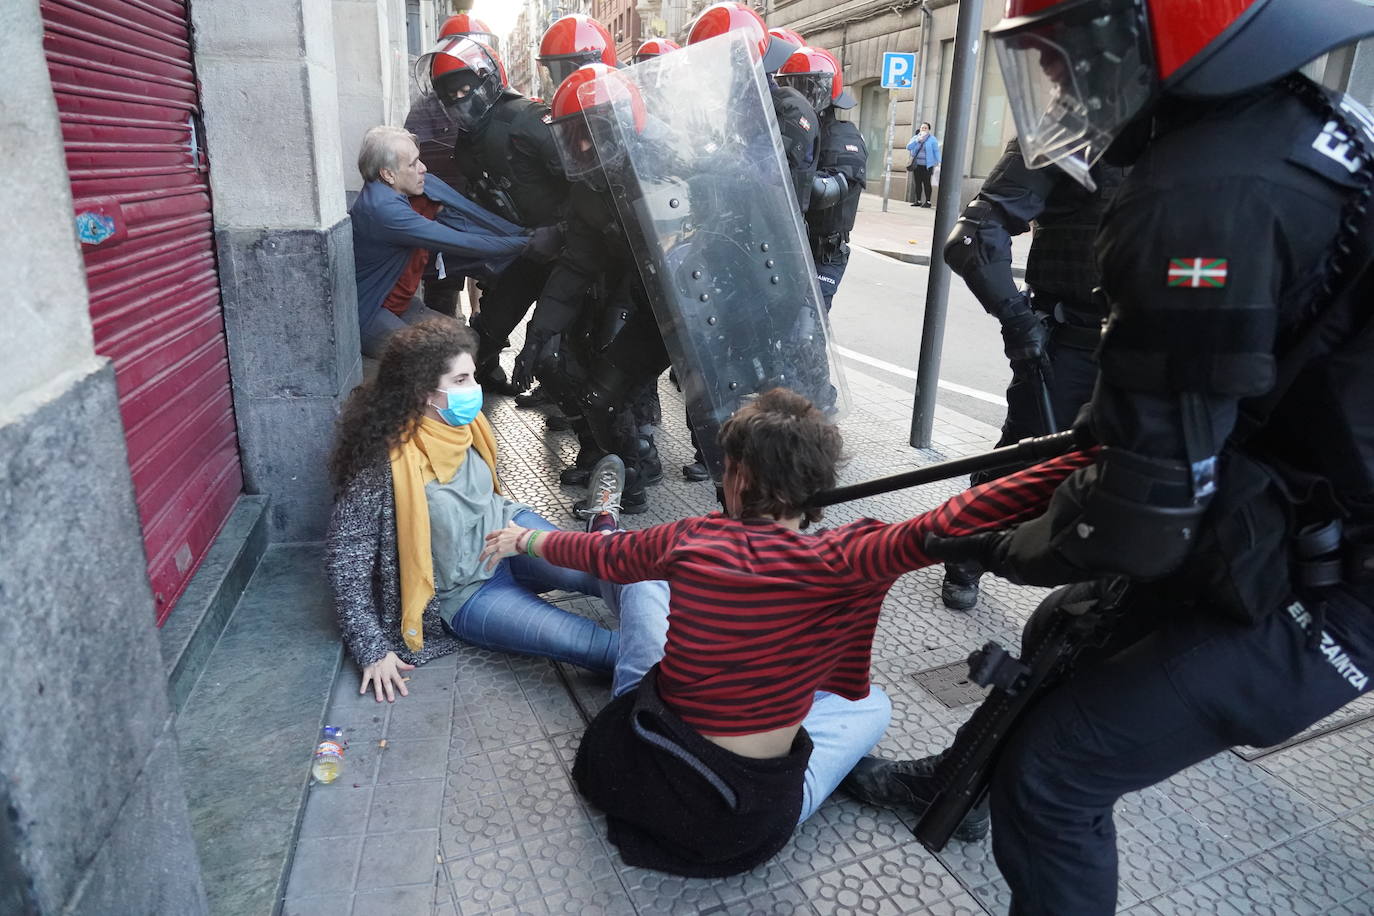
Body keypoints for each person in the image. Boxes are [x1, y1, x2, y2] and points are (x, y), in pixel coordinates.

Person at [844, 2, 1374, 913]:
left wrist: (999, 545)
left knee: (1054, 779)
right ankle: (954, 785)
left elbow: (1138, 521)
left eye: (1071, 52)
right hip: (1286, 508)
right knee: (1065, 629)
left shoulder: (1203, 191)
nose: (1059, 81)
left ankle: (1002, 794)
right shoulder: (1288, 125)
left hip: (1337, 584)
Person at [480, 388, 1097, 876]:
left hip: (638, 771)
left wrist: (524, 538)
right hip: (740, 824)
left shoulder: (688, 539)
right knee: (872, 706)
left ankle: (605, 517)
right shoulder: (852, 555)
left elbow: (602, 559)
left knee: (637, 573)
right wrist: (1087, 458)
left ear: (740, 477)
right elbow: (957, 517)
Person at [323, 318, 669, 703]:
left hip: (511, 535)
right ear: (423, 392)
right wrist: (371, 648)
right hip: (466, 593)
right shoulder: (382, 461)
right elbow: (347, 559)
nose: (475, 390)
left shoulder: (467, 425)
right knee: (604, 649)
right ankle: (604, 529)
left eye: (472, 376)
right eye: (460, 381)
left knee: (635, 566)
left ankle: (606, 533)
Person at [937, 138, 1125, 610]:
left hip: (1156, 351)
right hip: (1071, 339)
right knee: (1025, 461)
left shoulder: (1209, 138)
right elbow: (973, 237)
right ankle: (965, 552)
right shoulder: (1078, 123)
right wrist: (1019, 322)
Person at [515, 63, 669, 515]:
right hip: (652, 312)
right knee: (599, 398)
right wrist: (538, 334)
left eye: (594, 131)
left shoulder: (672, 163)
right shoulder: (588, 192)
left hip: (706, 313)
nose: (583, 145)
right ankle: (631, 484)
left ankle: (752, 518)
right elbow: (576, 269)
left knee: (720, 419)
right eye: (573, 134)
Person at [416, 36, 573, 394]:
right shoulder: (467, 143)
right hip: (525, 250)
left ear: (487, 80)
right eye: (449, 94)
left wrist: (562, 231)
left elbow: (587, 183)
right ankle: (449, 404)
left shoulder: (528, 121)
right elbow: (485, 200)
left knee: (554, 355)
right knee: (485, 333)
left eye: (465, 89)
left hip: (572, 252)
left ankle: (596, 443)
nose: (459, 101)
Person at [348, 126, 551, 359]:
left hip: (399, 304)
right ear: (388, 174)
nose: (423, 168)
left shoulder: (400, 191)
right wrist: (526, 242)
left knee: (468, 341)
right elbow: (461, 242)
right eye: (413, 164)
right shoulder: (383, 210)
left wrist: (520, 235)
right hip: (370, 313)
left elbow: (466, 213)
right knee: (433, 360)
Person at [687, 3, 814, 212]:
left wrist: (707, 153)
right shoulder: (734, 107)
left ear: (738, 62)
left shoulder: (789, 109)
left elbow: (761, 173)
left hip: (774, 236)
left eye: (712, 65)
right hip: (729, 224)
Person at [778, 46, 866, 312]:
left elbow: (824, 191)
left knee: (806, 331)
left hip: (822, 254)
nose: (801, 94)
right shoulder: (790, 130)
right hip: (787, 249)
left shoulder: (843, 137)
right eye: (791, 85)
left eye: (807, 85)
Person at [906, 122, 939, 207]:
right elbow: (908, 147)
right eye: (922, 128)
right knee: (917, 183)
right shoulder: (915, 138)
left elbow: (936, 151)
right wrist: (917, 140)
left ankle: (928, 201)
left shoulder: (932, 139)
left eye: (925, 128)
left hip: (927, 165)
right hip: (916, 165)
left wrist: (939, 161)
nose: (923, 129)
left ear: (928, 130)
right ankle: (918, 200)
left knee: (927, 183)